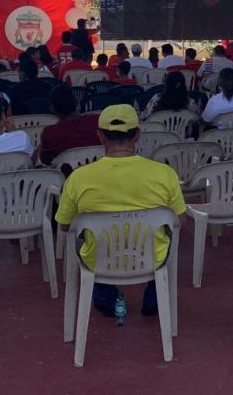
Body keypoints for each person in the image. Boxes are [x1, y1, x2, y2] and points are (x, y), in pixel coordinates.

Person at [55, 104, 186, 316]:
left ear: (100, 136)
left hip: (99, 259)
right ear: (137, 135)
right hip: (152, 258)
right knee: (165, 239)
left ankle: (105, 299)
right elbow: (181, 222)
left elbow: (64, 225)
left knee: (84, 240)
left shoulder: (78, 177)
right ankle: (154, 300)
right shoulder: (165, 174)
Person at [39, 85, 101, 168]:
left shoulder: (49, 133)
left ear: (52, 108)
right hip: (97, 172)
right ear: (77, 102)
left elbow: (45, 160)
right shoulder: (97, 121)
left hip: (67, 178)